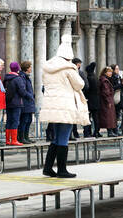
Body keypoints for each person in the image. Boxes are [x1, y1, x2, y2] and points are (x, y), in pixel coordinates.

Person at [39, 37, 85, 177]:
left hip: (52, 105)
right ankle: (62, 169)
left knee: (56, 137)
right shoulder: (68, 68)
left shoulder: (47, 68)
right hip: (65, 105)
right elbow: (80, 84)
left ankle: (48, 168)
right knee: (63, 137)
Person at [17, 60, 36, 143]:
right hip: (25, 102)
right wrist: (30, 96)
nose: (31, 68)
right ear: (27, 68)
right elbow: (23, 90)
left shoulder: (27, 77)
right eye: (30, 67)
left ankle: (26, 137)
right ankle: (21, 138)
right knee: (24, 121)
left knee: (29, 120)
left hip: (29, 102)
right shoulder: (22, 77)